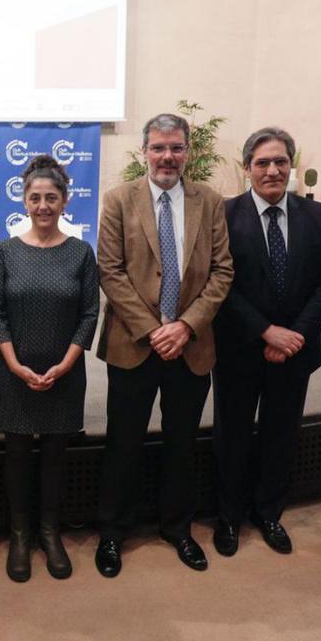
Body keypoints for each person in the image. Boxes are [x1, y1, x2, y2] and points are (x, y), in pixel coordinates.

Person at [94, 113, 234, 574]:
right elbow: (110, 271)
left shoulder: (210, 202)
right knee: (123, 443)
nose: (167, 157)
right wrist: (154, 329)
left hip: (190, 346)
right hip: (134, 344)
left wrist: (186, 326)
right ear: (144, 152)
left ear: (188, 152)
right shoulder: (118, 200)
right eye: (158, 148)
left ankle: (178, 528)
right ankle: (112, 532)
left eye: (175, 148)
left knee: (182, 443)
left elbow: (222, 271)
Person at [211, 127, 321, 557]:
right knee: (232, 434)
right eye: (263, 162)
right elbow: (219, 284)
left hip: (296, 350)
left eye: (281, 161)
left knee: (281, 434)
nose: (272, 170)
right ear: (247, 168)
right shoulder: (224, 215)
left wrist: (295, 335)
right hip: (239, 348)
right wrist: (265, 332)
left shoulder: (316, 217)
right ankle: (228, 516)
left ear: (291, 165)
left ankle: (268, 513)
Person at [0, 155, 98, 582]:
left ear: (65, 201)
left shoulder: (80, 252)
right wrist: (15, 366)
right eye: (35, 197)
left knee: (55, 455)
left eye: (52, 197)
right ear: (24, 201)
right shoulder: (6, 251)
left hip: (64, 372)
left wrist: (65, 364)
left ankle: (49, 534)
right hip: (14, 372)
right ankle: (19, 535)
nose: (43, 205)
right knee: (16, 455)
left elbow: (90, 314)